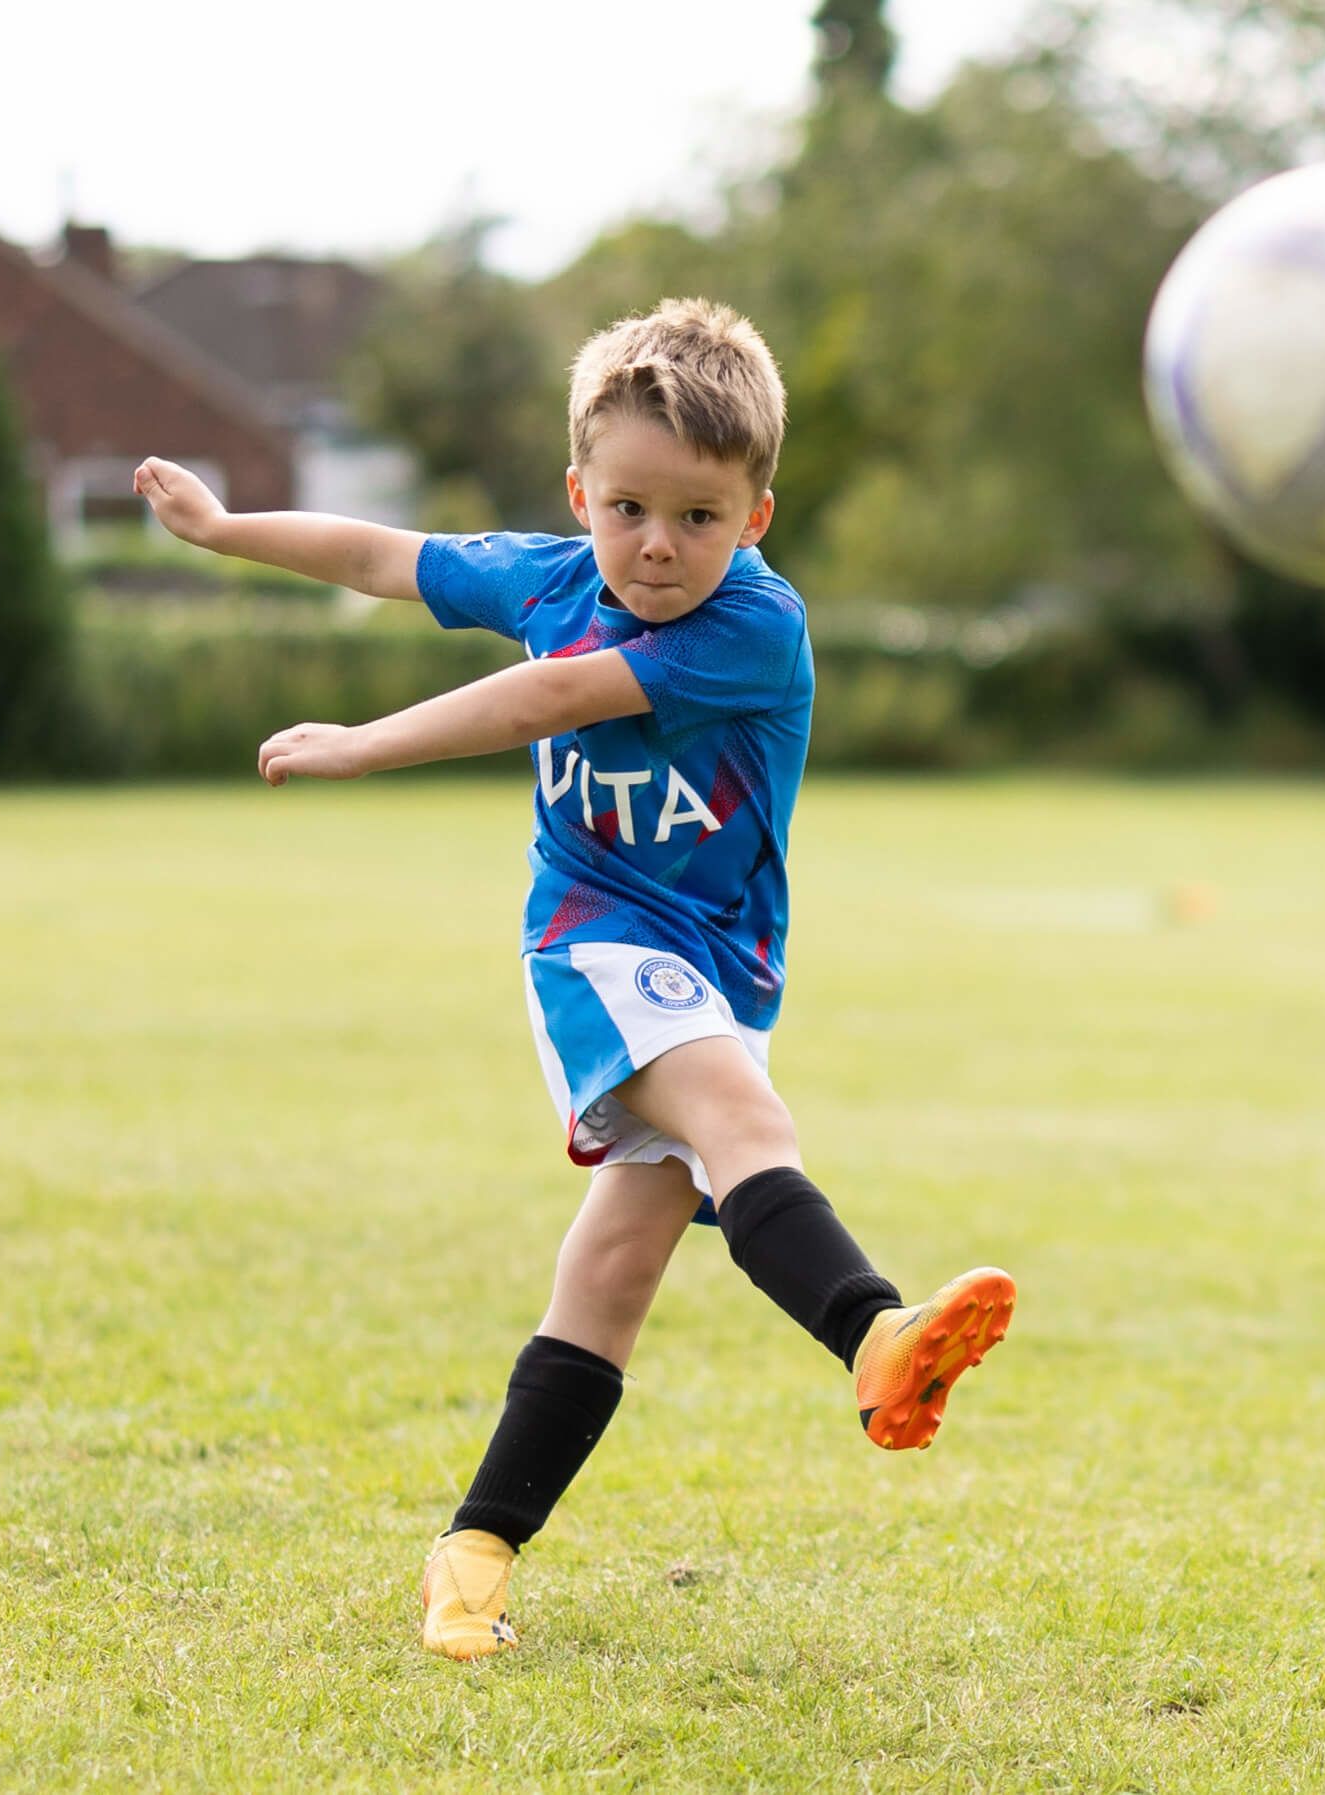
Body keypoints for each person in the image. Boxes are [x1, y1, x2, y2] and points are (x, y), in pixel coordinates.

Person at [134, 298, 1015, 1660]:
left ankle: (473, 1548)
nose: (659, 542)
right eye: (629, 507)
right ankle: (875, 1337)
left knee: (611, 1267)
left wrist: (366, 742)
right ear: (579, 494)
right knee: (746, 1131)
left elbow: (545, 700)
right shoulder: (549, 576)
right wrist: (223, 528)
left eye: (700, 516)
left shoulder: (752, 634)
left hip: (718, 969)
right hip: (597, 943)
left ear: (756, 517)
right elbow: (380, 551)